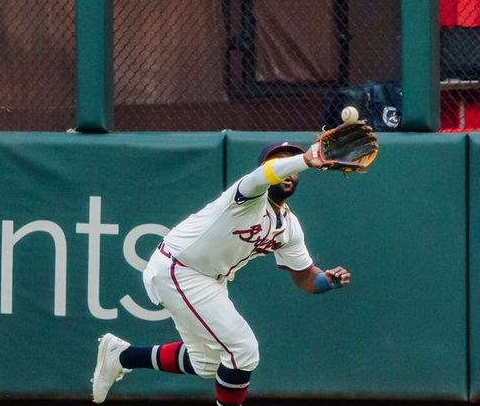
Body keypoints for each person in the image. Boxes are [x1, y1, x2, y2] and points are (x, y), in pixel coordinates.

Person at [91, 141, 351, 406]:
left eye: (293, 163)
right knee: (243, 349)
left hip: (209, 279)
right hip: (179, 268)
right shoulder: (248, 194)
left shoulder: (290, 227)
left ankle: (122, 356)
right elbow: (265, 175)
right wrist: (304, 160)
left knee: (206, 363)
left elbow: (305, 276)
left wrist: (327, 281)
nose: (290, 170)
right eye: (282, 161)